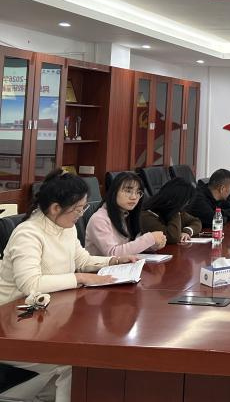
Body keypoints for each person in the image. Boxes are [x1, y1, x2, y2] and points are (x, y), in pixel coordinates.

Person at [0, 170, 138, 402]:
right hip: (13, 323)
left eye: (83, 208)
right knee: (75, 363)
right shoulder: (28, 234)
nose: (81, 214)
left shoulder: (66, 226)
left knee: (85, 361)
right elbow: (31, 284)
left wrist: (114, 261)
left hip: (46, 317)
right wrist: (80, 278)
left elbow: (82, 260)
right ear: (55, 208)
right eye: (78, 209)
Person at [85, 171, 167, 256]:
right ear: (114, 192)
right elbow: (112, 253)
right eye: (128, 191)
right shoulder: (99, 219)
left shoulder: (126, 214)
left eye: (138, 192)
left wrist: (151, 245)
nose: (134, 197)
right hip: (101, 265)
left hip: (124, 264)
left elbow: (127, 246)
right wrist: (149, 239)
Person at [141, 178, 202, 243]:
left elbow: (196, 221)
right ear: (175, 200)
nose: (187, 204)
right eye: (185, 201)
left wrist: (187, 231)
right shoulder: (147, 215)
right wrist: (175, 210)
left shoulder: (170, 211)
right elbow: (173, 237)